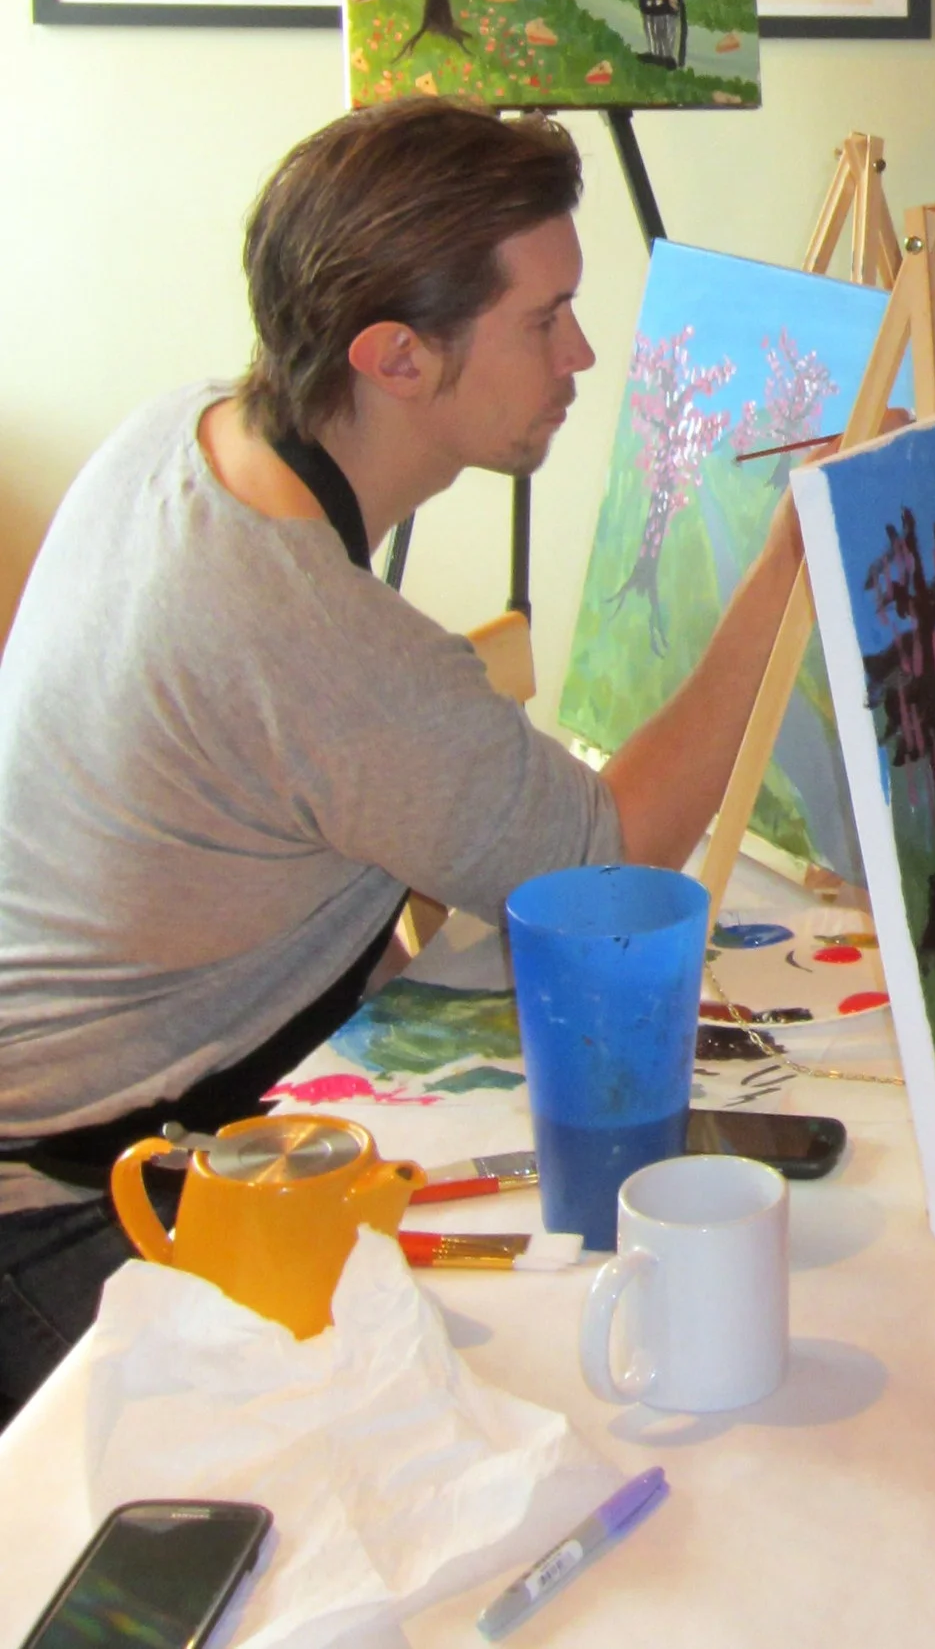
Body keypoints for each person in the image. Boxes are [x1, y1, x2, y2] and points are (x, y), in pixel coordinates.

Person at [0, 100, 806, 1415]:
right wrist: (787, 562)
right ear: (398, 358)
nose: (584, 352)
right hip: (85, 1217)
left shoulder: (190, 427)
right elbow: (607, 873)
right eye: (543, 320)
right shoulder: (313, 636)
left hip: (123, 1113)